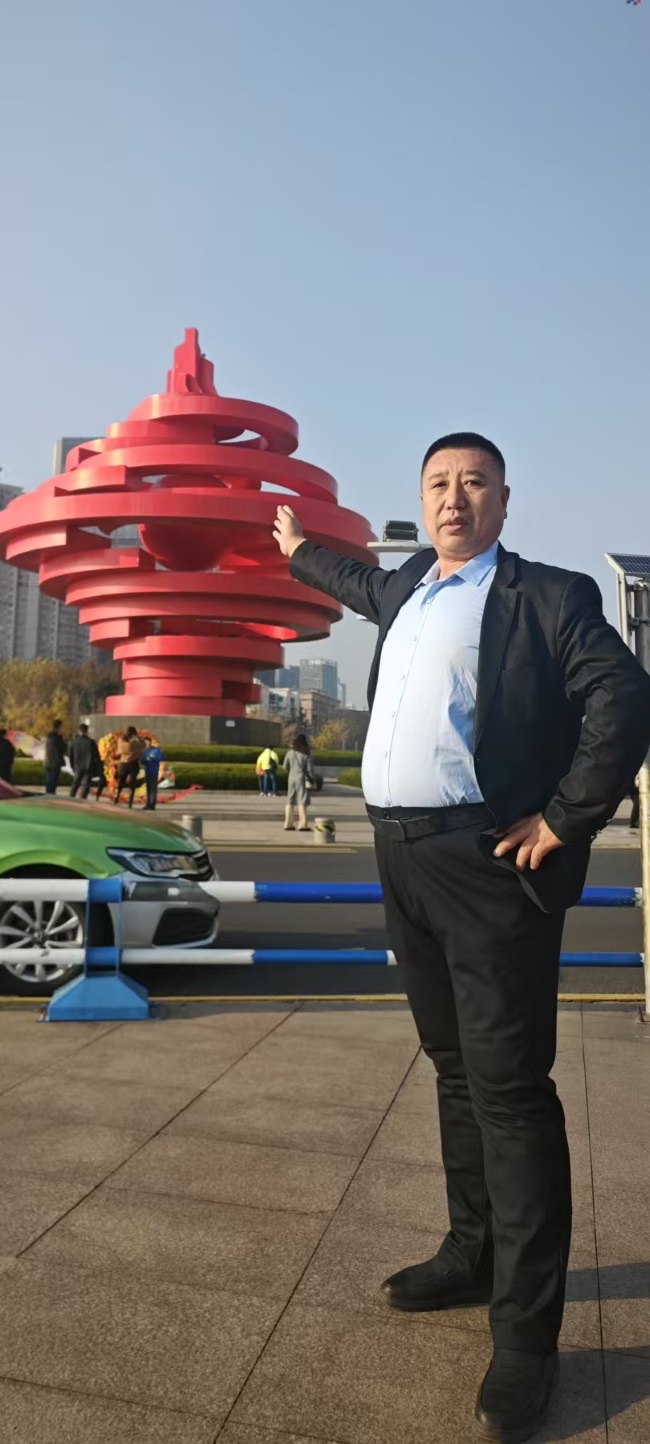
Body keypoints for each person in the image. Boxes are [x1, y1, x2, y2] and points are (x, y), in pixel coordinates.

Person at [273, 431, 650, 1442]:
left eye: (472, 482)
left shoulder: (546, 596)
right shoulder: (406, 587)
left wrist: (565, 817)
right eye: (437, 483)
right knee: (450, 1067)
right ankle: (471, 1251)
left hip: (486, 863)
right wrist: (298, 549)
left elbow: (622, 697)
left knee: (509, 1092)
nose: (453, 498)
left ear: (502, 501)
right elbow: (354, 580)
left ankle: (525, 1337)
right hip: (397, 856)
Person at [282, 733, 315, 830]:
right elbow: (310, 770)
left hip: (291, 778)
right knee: (302, 799)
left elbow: (284, 767)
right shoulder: (306, 754)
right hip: (302, 778)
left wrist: (291, 772)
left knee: (290, 799)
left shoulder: (289, 753)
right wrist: (312, 780)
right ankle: (303, 824)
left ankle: (288, 823)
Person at [69, 724, 104, 800]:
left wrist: (72, 766)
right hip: (88, 766)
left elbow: (71, 755)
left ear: (78, 731)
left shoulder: (74, 742)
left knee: (75, 783)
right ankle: (83, 799)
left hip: (77, 766)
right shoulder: (90, 742)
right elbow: (96, 755)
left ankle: (71, 798)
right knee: (86, 784)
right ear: (86, 731)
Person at [114, 726, 144, 807]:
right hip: (132, 763)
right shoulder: (135, 741)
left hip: (123, 763)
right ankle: (130, 802)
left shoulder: (120, 740)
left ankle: (116, 798)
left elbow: (119, 751)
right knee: (132, 783)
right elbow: (142, 746)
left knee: (121, 781)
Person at [44, 719, 67, 795]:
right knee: (53, 782)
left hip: (48, 762)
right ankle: (50, 796)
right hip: (55, 762)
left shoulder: (48, 737)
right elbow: (63, 748)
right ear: (59, 727)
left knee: (49, 782)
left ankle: (48, 795)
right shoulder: (57, 738)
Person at [141, 736, 164, 810]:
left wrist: (151, 758)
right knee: (148, 788)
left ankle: (152, 804)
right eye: (145, 743)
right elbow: (143, 761)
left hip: (154, 771)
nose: (146, 744)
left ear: (150, 742)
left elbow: (160, 758)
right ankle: (148, 804)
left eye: (147, 742)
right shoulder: (145, 751)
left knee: (153, 788)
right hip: (148, 771)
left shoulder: (156, 750)